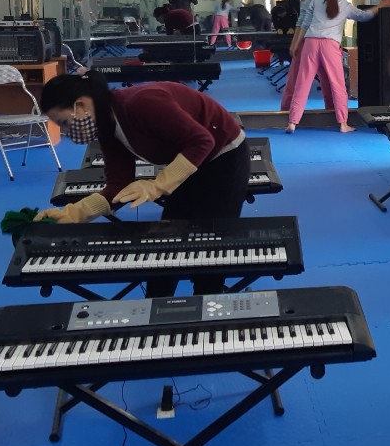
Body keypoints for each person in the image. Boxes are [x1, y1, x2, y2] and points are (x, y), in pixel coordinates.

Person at [36, 70, 251, 298]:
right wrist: (74, 214)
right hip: (190, 160)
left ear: (80, 105)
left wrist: (157, 186)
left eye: (64, 122)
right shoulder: (107, 126)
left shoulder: (142, 103)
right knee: (168, 240)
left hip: (225, 155)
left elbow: (202, 140)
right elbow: (119, 185)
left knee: (211, 241)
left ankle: (207, 302)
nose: (66, 132)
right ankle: (155, 305)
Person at [283, 0, 390, 133]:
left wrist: (296, 44)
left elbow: (304, 23)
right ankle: (343, 124)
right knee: (338, 85)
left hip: (310, 43)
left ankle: (292, 122)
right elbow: (364, 16)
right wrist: (383, 5)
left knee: (302, 84)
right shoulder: (345, 5)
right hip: (330, 46)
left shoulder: (316, 0)